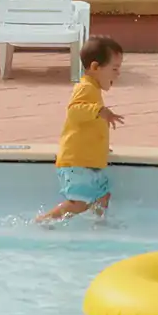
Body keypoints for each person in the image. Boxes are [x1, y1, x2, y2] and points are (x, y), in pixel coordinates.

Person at [37, 36, 126, 224]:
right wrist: (99, 110)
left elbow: (86, 125)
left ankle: (98, 225)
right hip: (77, 162)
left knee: (103, 196)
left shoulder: (93, 89)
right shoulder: (85, 87)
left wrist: (98, 145)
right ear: (95, 67)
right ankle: (45, 220)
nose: (118, 74)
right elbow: (74, 110)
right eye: (114, 69)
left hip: (87, 161)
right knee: (78, 203)